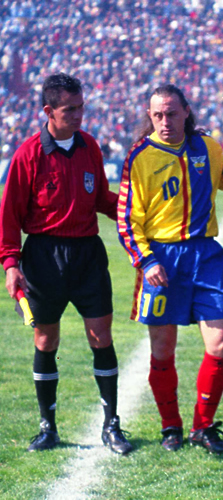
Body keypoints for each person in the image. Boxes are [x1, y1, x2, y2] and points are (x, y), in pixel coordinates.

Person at [0, 73, 132, 454]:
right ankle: (48, 427)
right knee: (46, 339)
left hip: (87, 256)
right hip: (43, 258)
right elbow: (8, 216)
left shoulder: (90, 145)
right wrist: (11, 264)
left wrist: (130, 211)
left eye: (81, 107)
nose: (78, 115)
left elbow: (101, 198)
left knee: (101, 338)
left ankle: (112, 425)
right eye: (69, 109)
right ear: (48, 111)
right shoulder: (28, 154)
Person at [117, 84, 223, 455]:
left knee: (219, 344)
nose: (165, 121)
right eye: (157, 115)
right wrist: (147, 260)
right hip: (162, 260)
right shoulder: (140, 157)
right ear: (149, 116)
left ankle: (203, 426)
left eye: (171, 113)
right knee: (163, 348)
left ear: (186, 111)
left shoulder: (209, 148)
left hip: (206, 256)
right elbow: (127, 219)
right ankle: (171, 426)